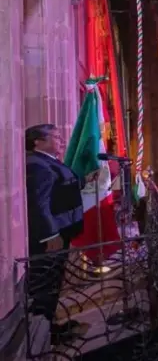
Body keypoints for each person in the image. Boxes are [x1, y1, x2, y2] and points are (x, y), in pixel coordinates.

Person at [25, 124, 84, 338]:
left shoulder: (47, 161)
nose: (61, 140)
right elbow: (39, 203)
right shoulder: (36, 164)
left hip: (62, 231)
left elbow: (62, 184)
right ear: (37, 141)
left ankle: (49, 326)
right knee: (46, 283)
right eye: (55, 137)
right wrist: (51, 234)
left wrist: (86, 179)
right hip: (52, 237)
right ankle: (42, 332)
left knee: (55, 281)